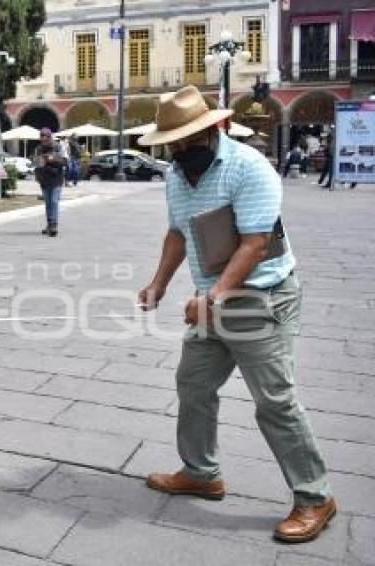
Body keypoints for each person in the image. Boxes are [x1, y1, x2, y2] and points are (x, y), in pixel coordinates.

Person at [136, 85, 336, 544]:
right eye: (175, 144)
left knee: (275, 401)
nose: (184, 151)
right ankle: (202, 472)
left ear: (217, 127)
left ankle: (315, 496)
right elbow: (177, 233)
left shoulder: (251, 168)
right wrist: (159, 284)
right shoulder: (175, 176)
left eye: (192, 141)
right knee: (194, 383)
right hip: (215, 299)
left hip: (260, 298)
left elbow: (255, 243)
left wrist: (213, 297)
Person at [33, 128, 67, 236]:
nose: (44, 139)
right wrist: (39, 165)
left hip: (56, 178)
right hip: (44, 178)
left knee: (54, 201)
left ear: (50, 137)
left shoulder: (58, 146)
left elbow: (66, 161)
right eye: (42, 136)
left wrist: (52, 159)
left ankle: (53, 225)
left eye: (46, 136)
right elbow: (37, 164)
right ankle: (49, 224)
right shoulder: (38, 149)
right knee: (48, 203)